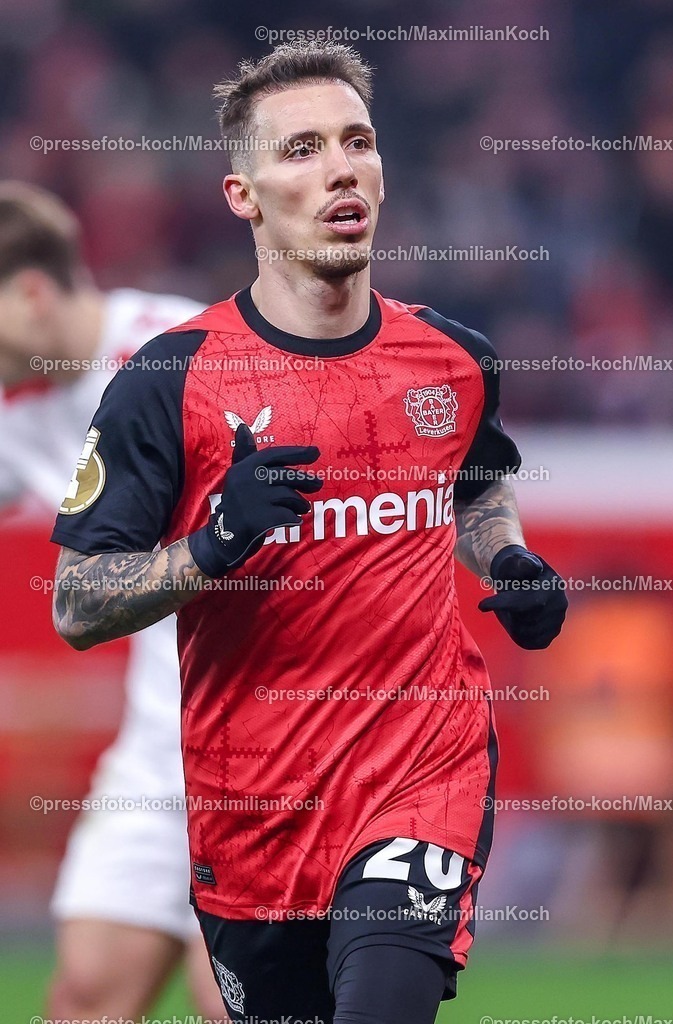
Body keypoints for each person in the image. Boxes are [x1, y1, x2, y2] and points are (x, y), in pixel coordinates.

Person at [50, 41, 567, 1024]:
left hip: (422, 768)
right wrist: (210, 545)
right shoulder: (169, 379)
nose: (339, 167)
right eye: (302, 149)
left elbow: (475, 481)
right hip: (253, 807)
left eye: (356, 141)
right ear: (242, 194)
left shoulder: (454, 358)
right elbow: (78, 599)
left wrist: (507, 556)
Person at [0, 182, 227, 1022]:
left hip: (261, 742)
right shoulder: (21, 403)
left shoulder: (186, 353)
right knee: (85, 998)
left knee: (237, 1000)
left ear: (29, 294)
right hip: (156, 753)